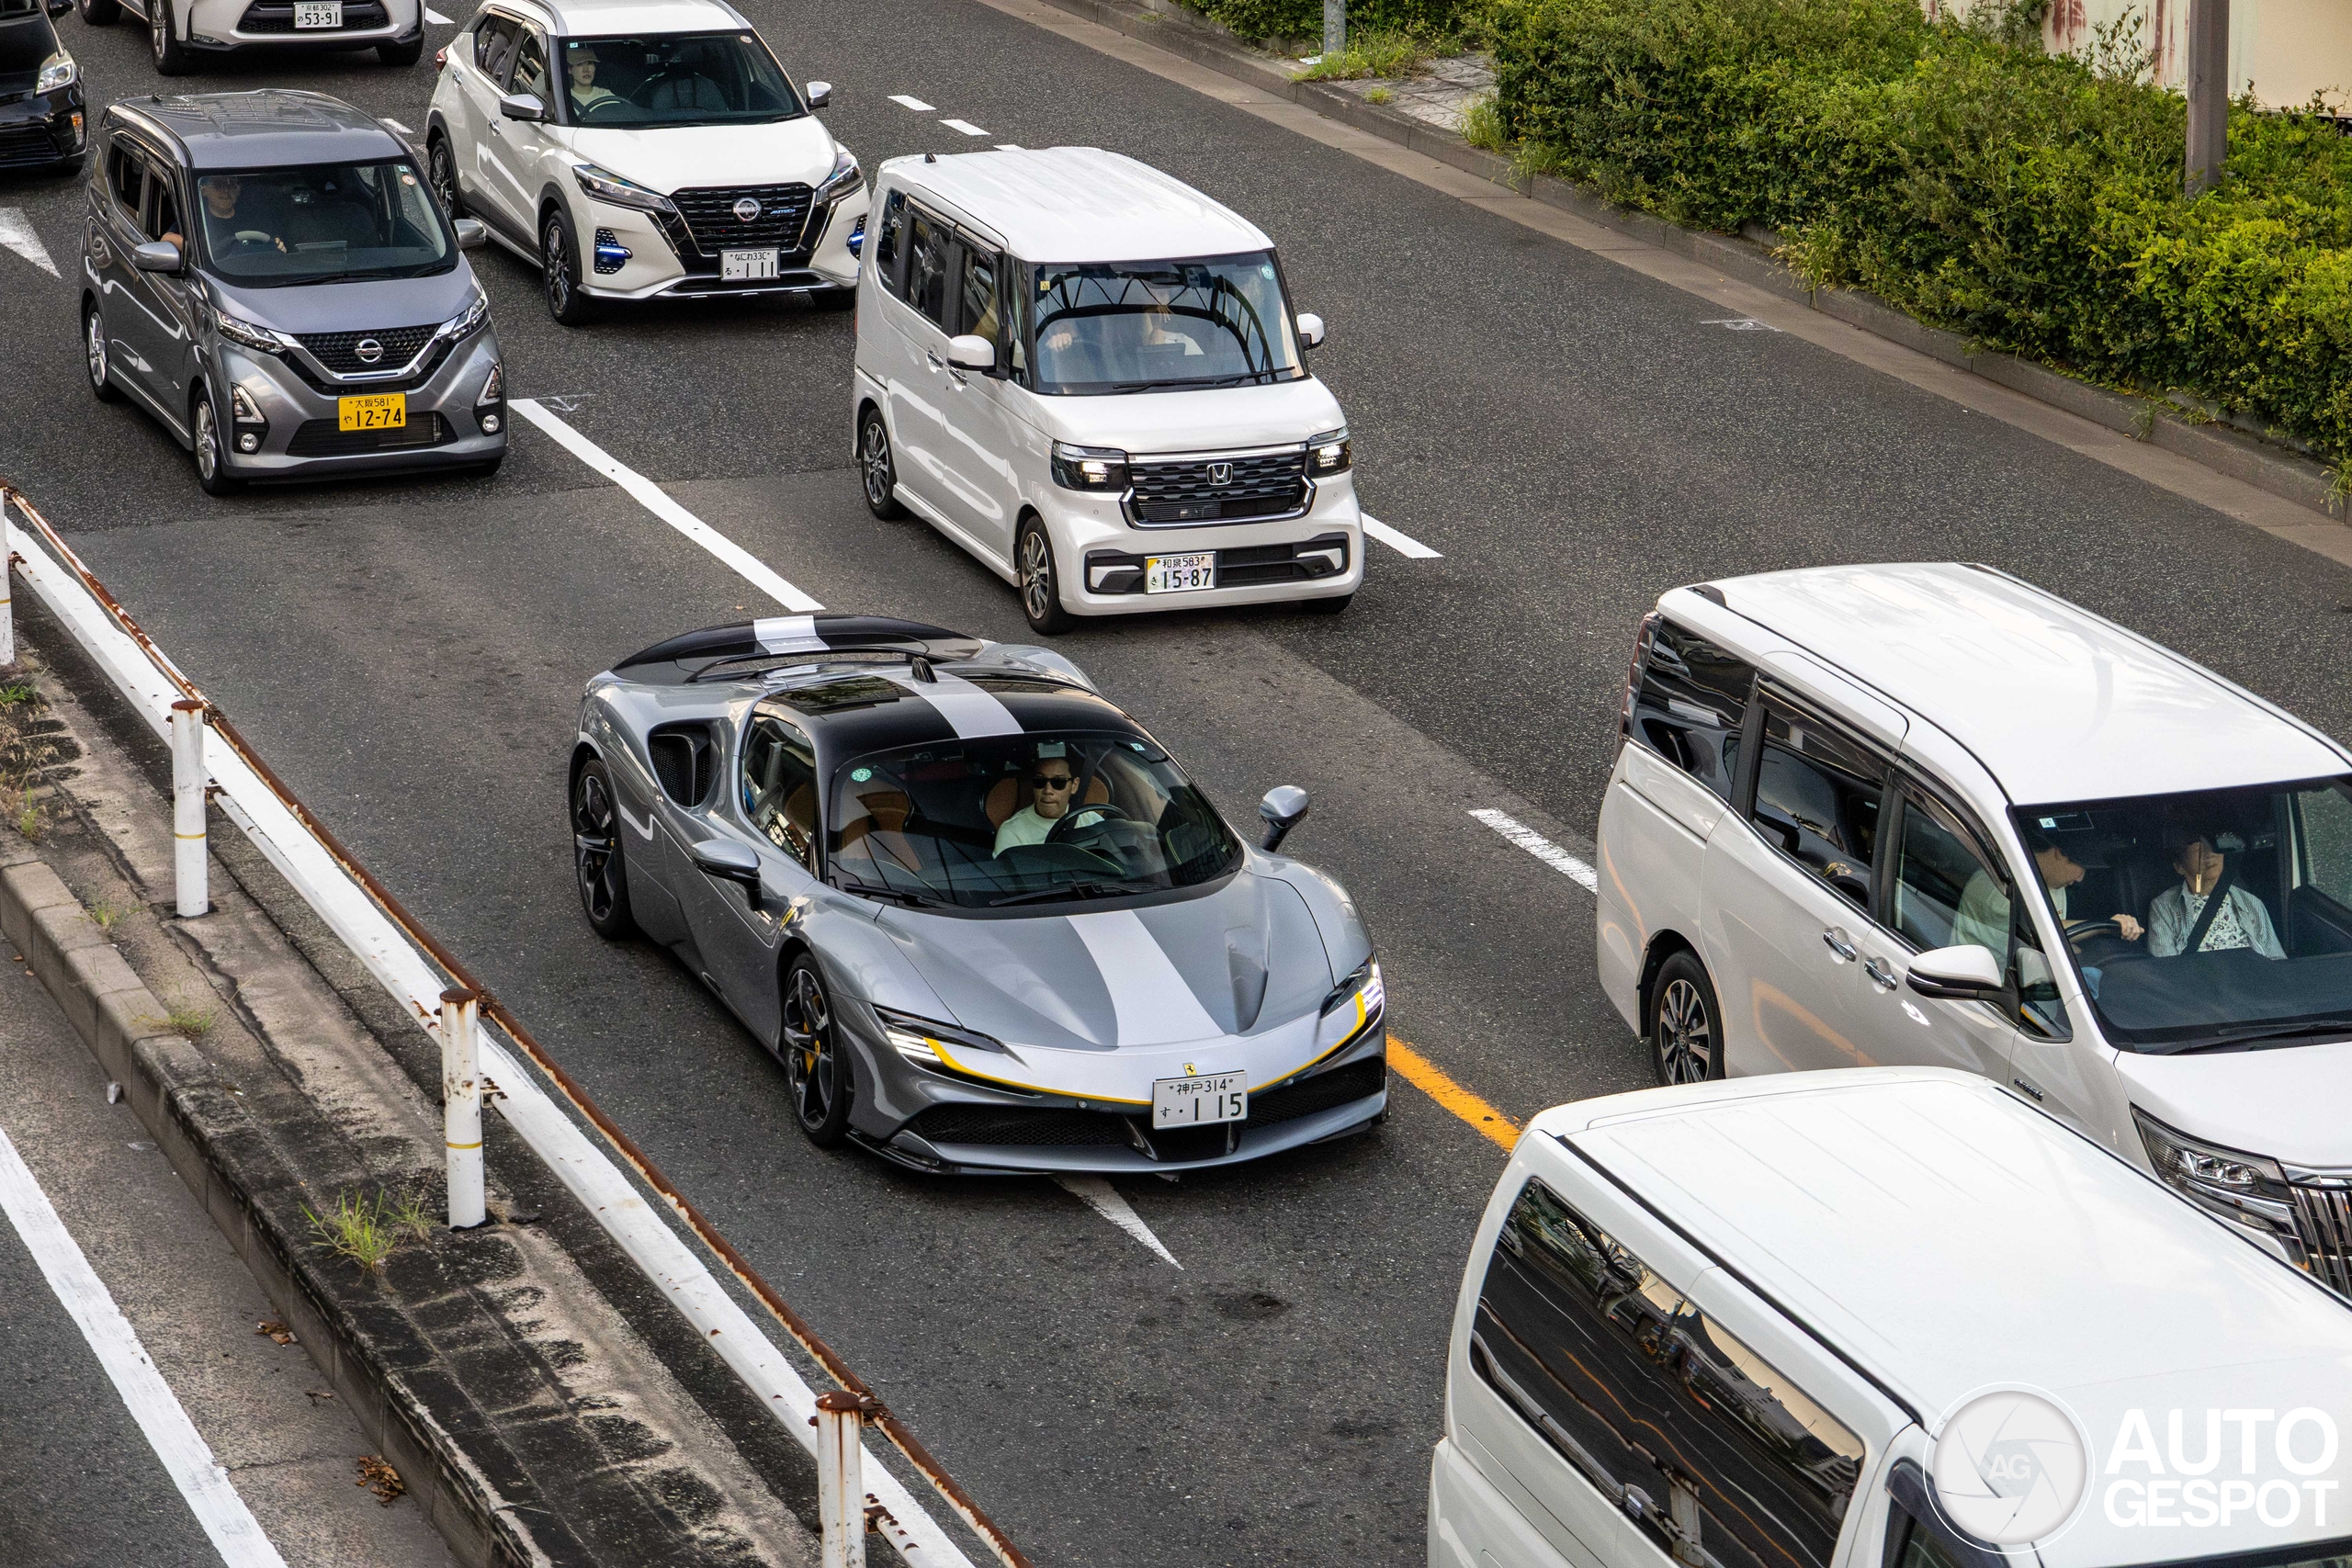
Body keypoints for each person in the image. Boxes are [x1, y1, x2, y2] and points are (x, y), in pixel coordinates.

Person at [1952, 829, 2143, 955]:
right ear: (2060, 853)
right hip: (1990, 993)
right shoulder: (1998, 886)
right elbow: (2039, 934)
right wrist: (2104, 926)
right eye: (2082, 868)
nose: (2080, 879)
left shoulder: (2053, 881)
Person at [2148, 832, 2285, 959]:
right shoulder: (2164, 907)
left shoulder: (2251, 903)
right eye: (2198, 849)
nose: (2209, 854)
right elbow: (2168, 971)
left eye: (2213, 846)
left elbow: (2277, 961)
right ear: (2179, 866)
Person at [993, 749, 1102, 855]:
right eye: (1040, 781)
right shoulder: (1013, 832)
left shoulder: (1093, 822)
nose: (1048, 790)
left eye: (1058, 782)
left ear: (1074, 785)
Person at [180, 174, 283, 254]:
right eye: (218, 185)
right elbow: (168, 238)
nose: (225, 191)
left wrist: (279, 246)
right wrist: (197, 247)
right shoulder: (195, 216)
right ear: (204, 191)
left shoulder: (255, 215)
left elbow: (274, 241)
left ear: (239, 191)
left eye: (232, 186)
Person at [566, 45, 618, 116]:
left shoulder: (606, 95)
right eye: (579, 64)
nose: (586, 70)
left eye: (589, 63)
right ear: (569, 70)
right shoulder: (565, 99)